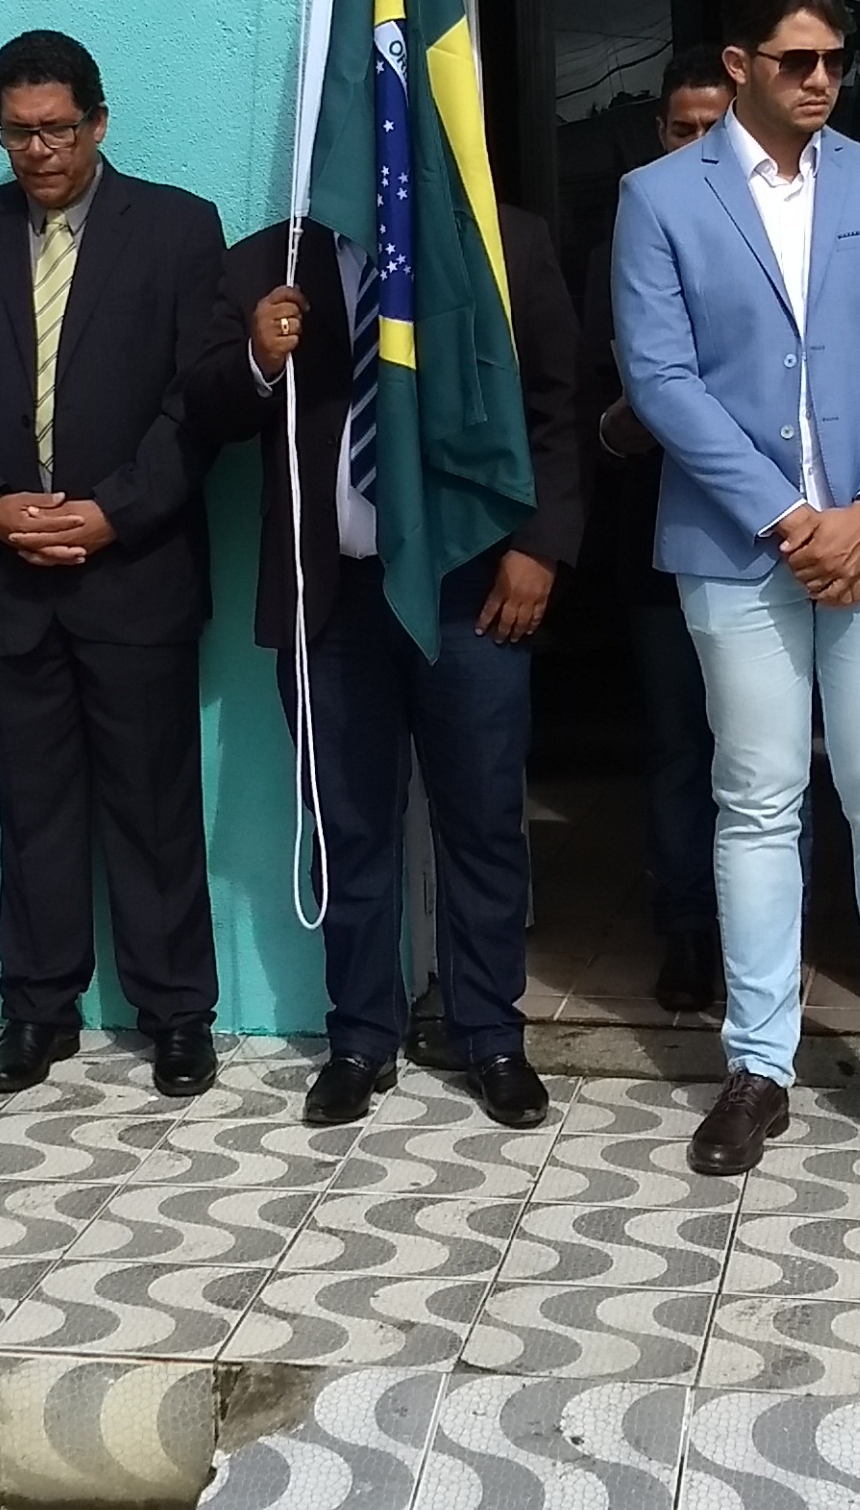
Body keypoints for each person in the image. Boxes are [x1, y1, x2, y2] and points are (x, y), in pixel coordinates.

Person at [612, 0, 860, 1187]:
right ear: (739, 65)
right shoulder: (659, 197)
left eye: (834, 59)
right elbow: (660, 379)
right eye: (796, 61)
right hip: (737, 546)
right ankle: (757, 1066)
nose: (821, 80)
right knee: (757, 799)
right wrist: (789, 519)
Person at [189, 198, 584, 1130]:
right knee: (350, 825)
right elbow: (202, 407)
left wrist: (540, 546)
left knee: (480, 818)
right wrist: (258, 358)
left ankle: (490, 1035)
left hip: (470, 586)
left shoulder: (503, 240)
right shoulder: (271, 261)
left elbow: (555, 405)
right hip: (333, 596)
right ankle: (360, 1038)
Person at [0, 33, 229, 1098]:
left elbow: (198, 403)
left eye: (56, 129)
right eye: (18, 132)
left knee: (152, 804)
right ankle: (38, 1010)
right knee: (34, 808)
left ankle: (176, 1013)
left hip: (134, 571)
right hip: (6, 574)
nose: (39, 151)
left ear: (97, 121)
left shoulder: (177, 230)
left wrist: (112, 513)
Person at [584, 51, 735, 1017]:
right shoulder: (623, 240)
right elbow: (585, 402)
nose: (699, 145)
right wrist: (625, 420)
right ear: (658, 134)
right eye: (684, 129)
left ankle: (771, 937)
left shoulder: (788, 230)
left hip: (775, 542)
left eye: (716, 129)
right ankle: (686, 931)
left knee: (769, 755)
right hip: (657, 536)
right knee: (681, 744)